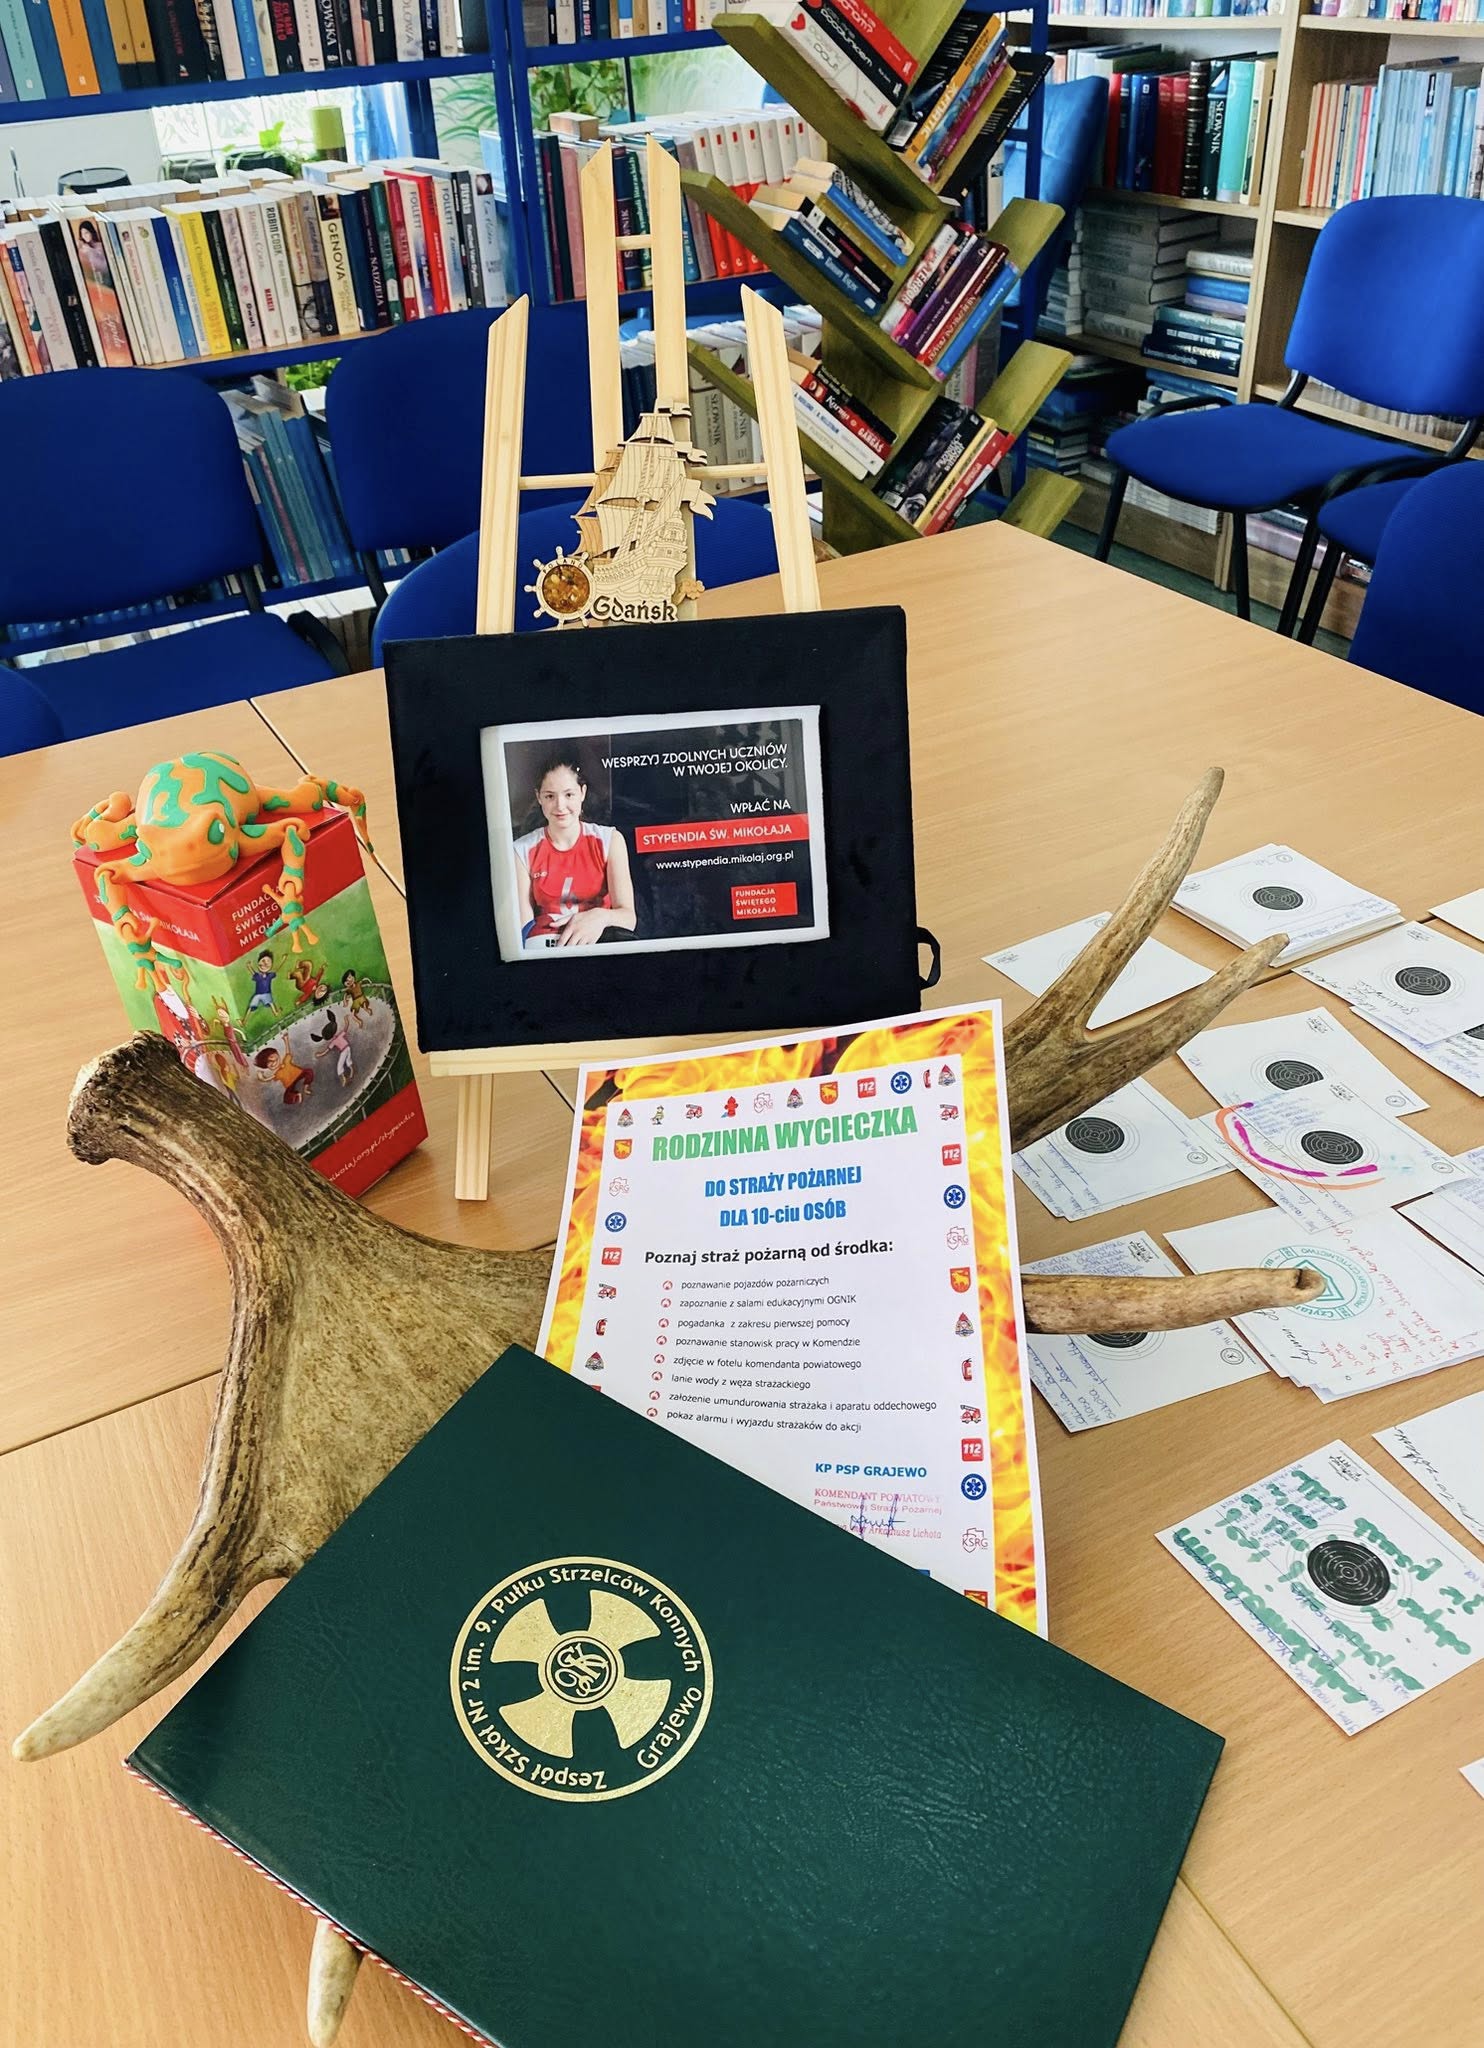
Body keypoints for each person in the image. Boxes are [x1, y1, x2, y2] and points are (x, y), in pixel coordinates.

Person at [513, 752, 636, 949]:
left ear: (583, 793)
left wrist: (600, 917)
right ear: (538, 797)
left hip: (599, 943)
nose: (560, 806)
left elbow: (628, 918)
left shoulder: (610, 840)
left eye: (569, 794)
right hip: (546, 948)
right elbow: (522, 929)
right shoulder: (522, 850)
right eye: (550, 796)